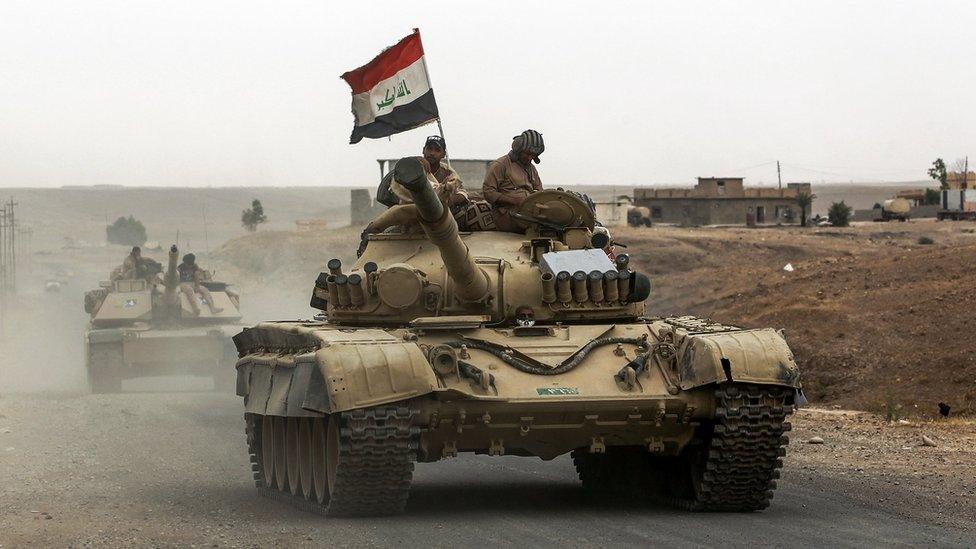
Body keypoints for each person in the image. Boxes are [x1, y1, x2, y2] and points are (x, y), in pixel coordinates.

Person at [482, 129, 545, 233]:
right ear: (518, 149)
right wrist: (515, 201)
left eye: (533, 155)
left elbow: (539, 191)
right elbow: (488, 192)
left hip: (528, 212)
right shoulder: (501, 164)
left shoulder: (531, 168)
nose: (530, 157)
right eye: (527, 153)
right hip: (507, 215)